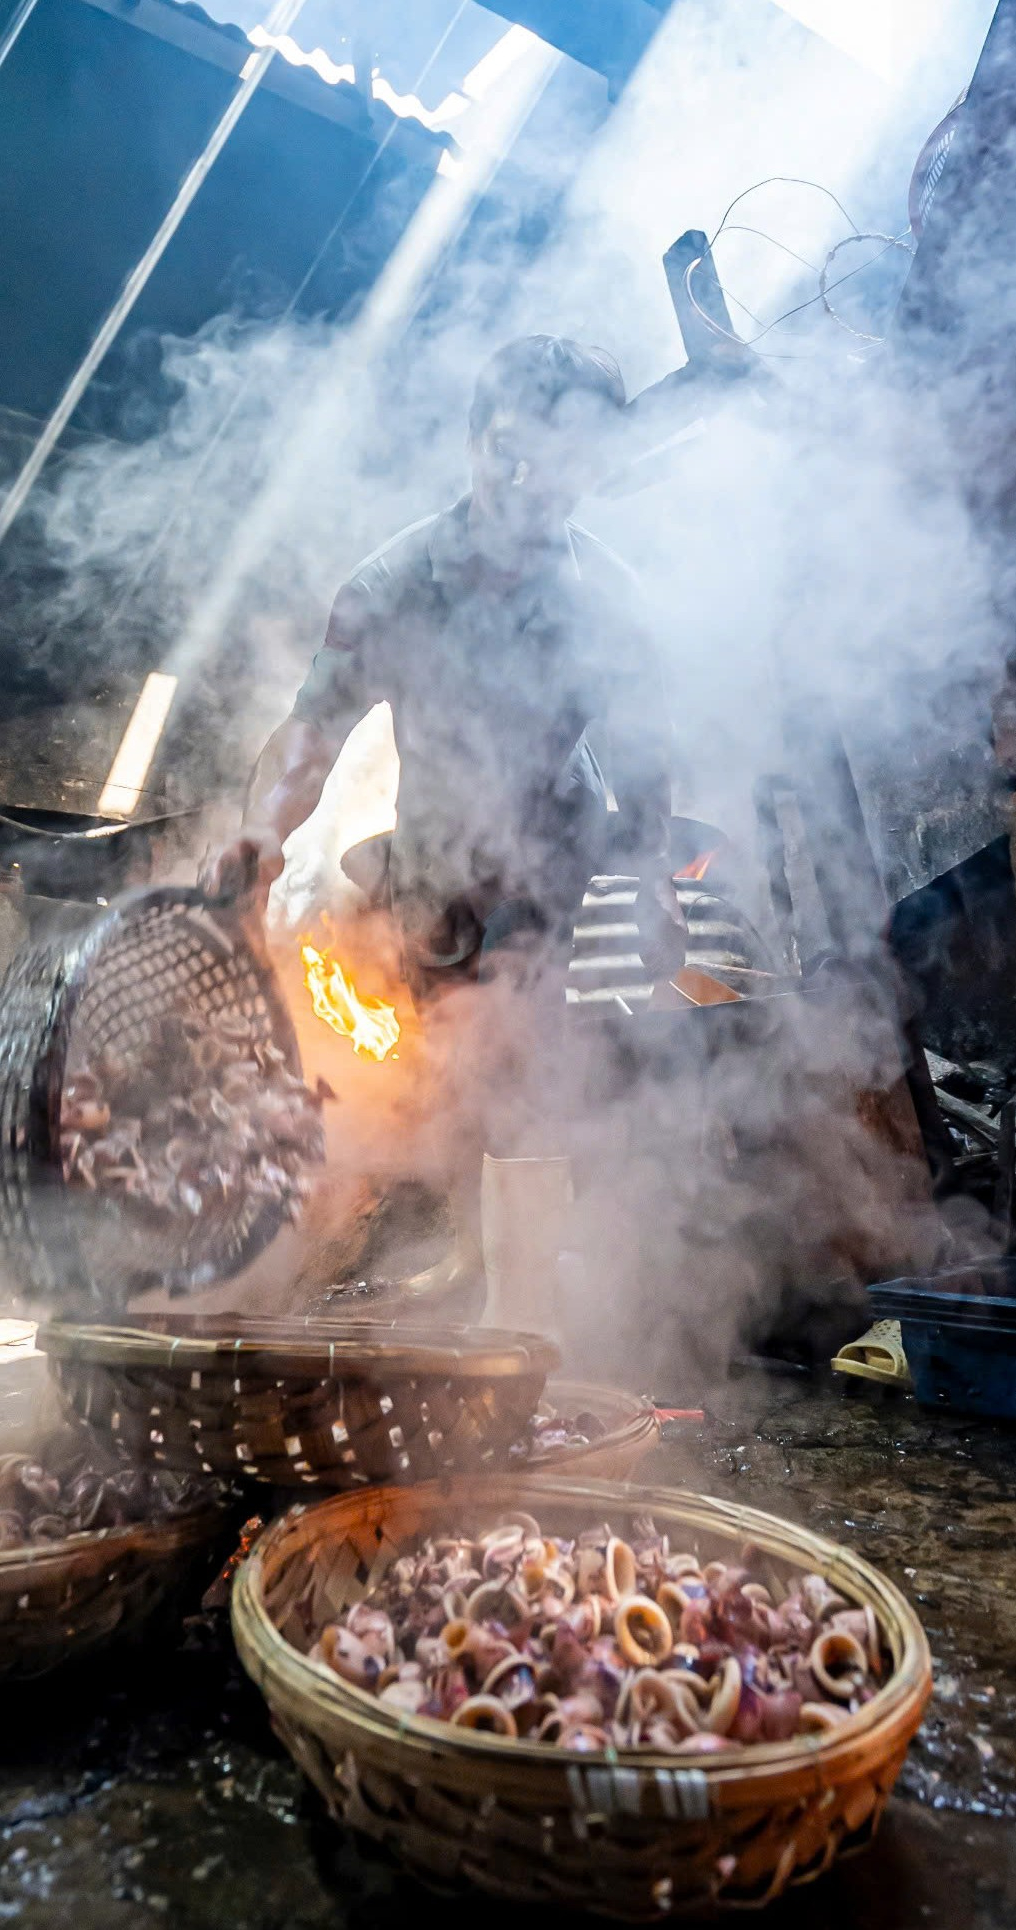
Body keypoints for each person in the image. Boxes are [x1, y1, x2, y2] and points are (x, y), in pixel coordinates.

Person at [202, 335, 685, 1315]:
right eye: (512, 445)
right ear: (474, 440)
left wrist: (655, 880)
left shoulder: (608, 602)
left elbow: (643, 762)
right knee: (457, 1077)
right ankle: (483, 1260)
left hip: (557, 865)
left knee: (529, 1078)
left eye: (566, 455)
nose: (533, 476)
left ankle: (531, 1303)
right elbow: (313, 728)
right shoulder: (391, 585)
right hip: (429, 869)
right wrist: (264, 833)